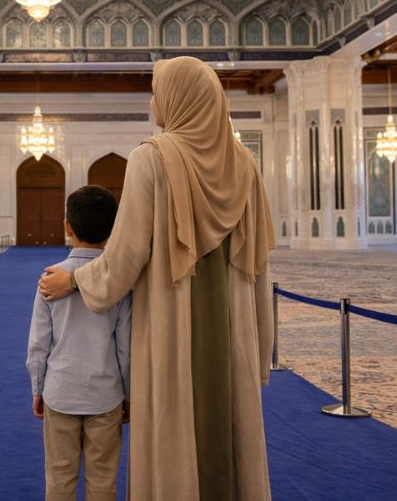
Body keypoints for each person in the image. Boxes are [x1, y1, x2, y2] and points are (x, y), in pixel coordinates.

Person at [38, 56, 276, 501]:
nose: (152, 103)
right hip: (231, 327)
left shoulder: (152, 157)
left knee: (176, 418)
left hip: (173, 322)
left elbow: (125, 256)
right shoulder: (245, 163)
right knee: (226, 418)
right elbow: (259, 266)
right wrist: (260, 346)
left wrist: (75, 281)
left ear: (179, 99)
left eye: (158, 92)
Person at [26, 185, 132, 501]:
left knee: (59, 479)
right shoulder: (119, 282)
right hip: (106, 395)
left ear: (67, 226)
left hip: (60, 393)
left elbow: (38, 343)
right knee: (102, 482)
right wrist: (129, 394)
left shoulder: (50, 277)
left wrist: (38, 388)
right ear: (112, 229)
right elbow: (125, 345)